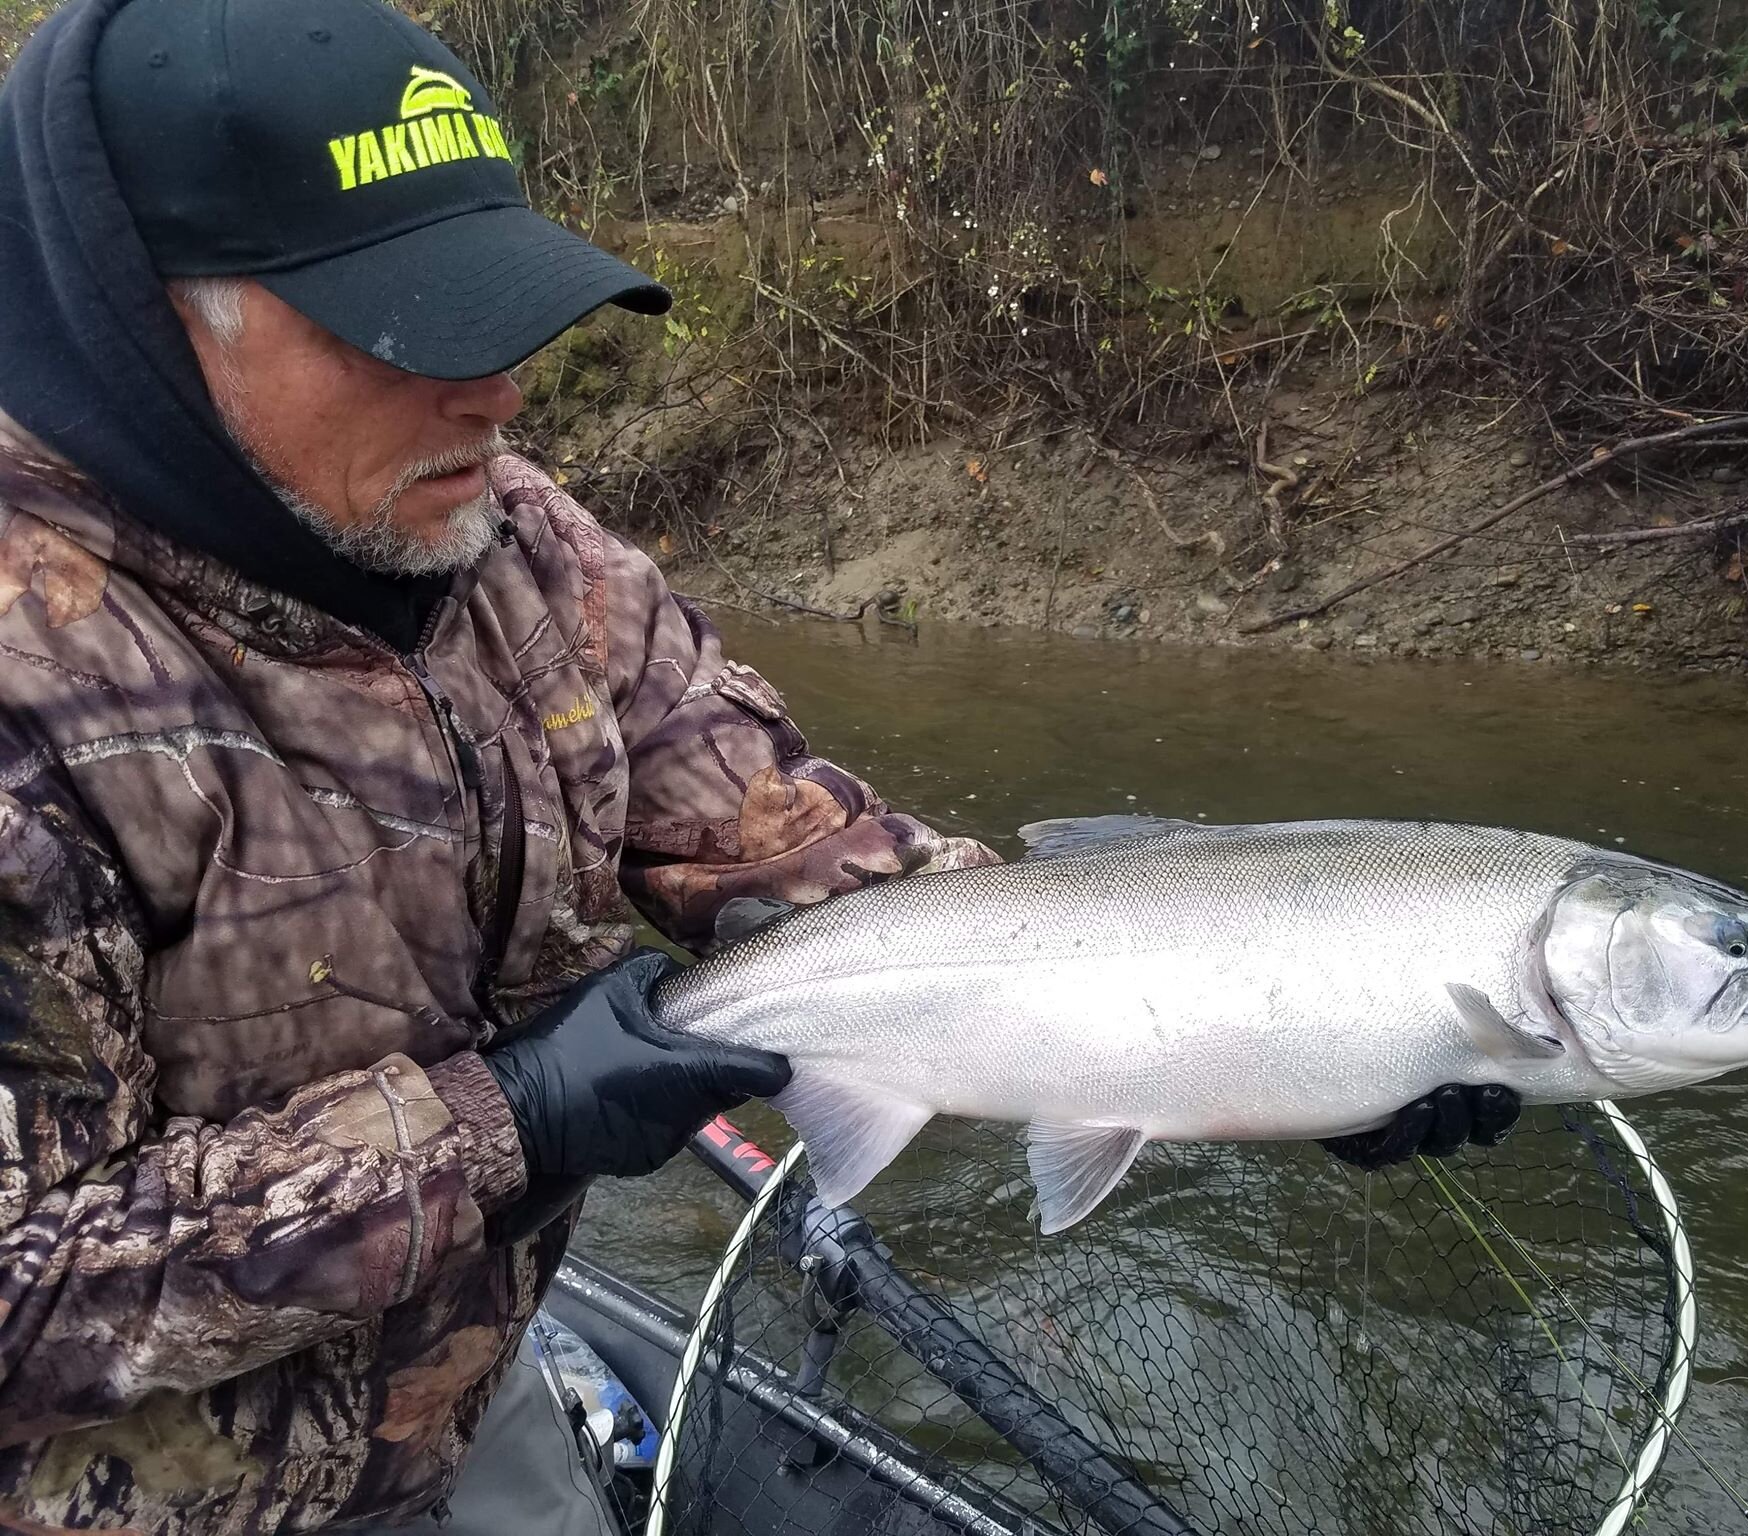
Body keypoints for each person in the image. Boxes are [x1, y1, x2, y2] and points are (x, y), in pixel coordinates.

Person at [0, 0, 1517, 1529]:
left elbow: (789, 851)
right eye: (410, 326)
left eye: (498, 310)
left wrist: (1274, 1023)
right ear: (143, 319)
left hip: (457, 1394)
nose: (503, 391)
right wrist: (505, 1123)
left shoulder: (510, 543)